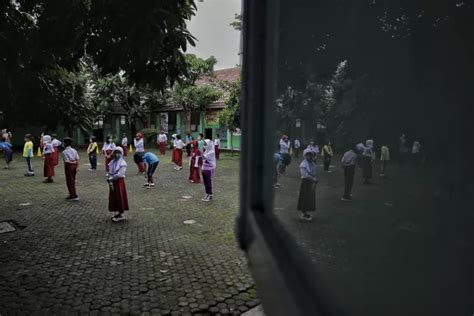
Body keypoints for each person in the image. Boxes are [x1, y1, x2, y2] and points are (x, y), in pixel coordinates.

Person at [107, 147, 129, 222]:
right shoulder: (112, 162)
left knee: (120, 197)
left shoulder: (122, 163)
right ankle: (118, 213)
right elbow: (110, 172)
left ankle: (121, 214)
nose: (116, 154)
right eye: (115, 152)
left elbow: (120, 174)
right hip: (113, 181)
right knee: (114, 197)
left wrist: (111, 178)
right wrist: (110, 181)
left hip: (119, 182)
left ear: (121, 153)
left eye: (118, 153)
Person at [297, 149, 317, 221]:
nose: (309, 156)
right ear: (304, 155)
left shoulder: (311, 163)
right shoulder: (303, 164)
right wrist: (313, 178)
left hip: (310, 182)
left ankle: (305, 213)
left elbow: (313, 172)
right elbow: (304, 175)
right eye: (307, 155)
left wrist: (314, 178)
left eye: (310, 155)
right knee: (305, 198)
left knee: (309, 198)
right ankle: (303, 214)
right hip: (305, 182)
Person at [62, 137, 80, 201]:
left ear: (65, 143)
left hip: (69, 167)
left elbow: (67, 161)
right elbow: (77, 158)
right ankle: (72, 193)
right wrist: (77, 166)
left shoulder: (64, 152)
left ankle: (73, 195)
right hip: (74, 166)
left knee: (70, 181)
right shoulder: (74, 150)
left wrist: (73, 162)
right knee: (73, 180)